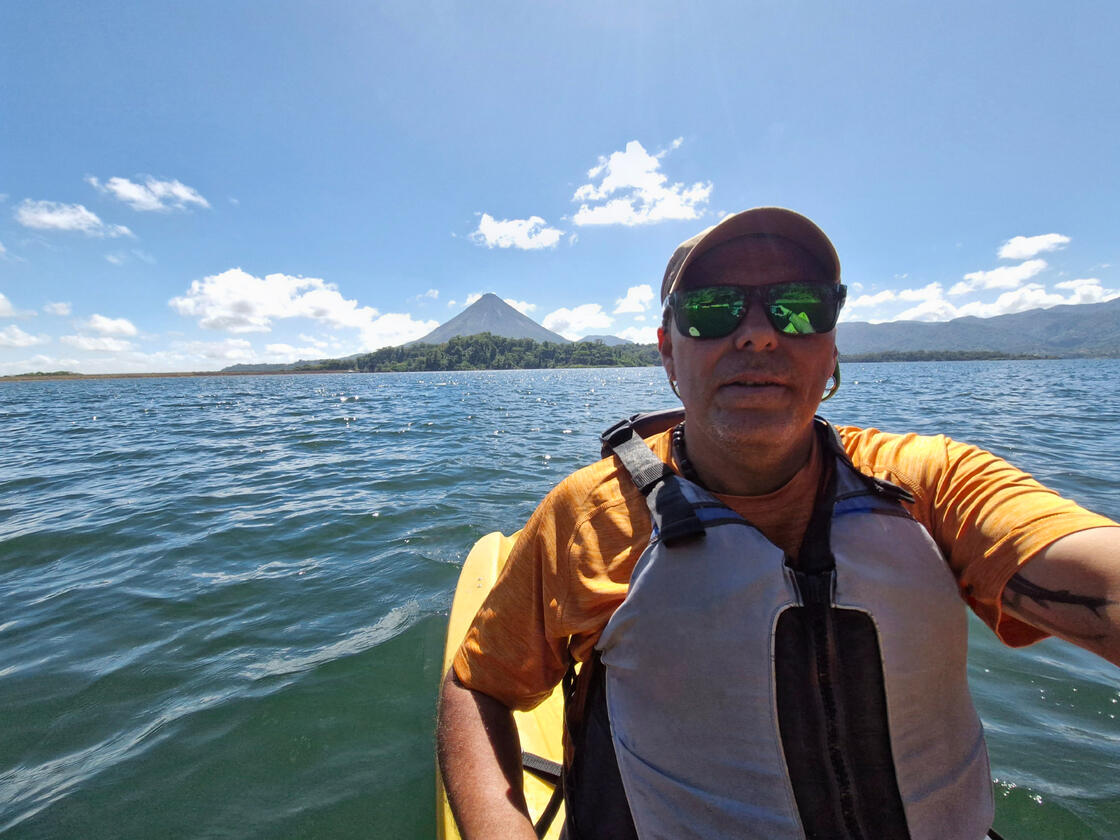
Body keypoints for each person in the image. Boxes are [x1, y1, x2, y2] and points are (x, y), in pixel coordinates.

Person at [437, 207, 1120, 840]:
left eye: (799, 307)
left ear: (830, 348)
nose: (759, 332)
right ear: (668, 352)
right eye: (710, 311)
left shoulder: (931, 486)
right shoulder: (591, 517)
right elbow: (479, 687)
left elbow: (1085, 563)